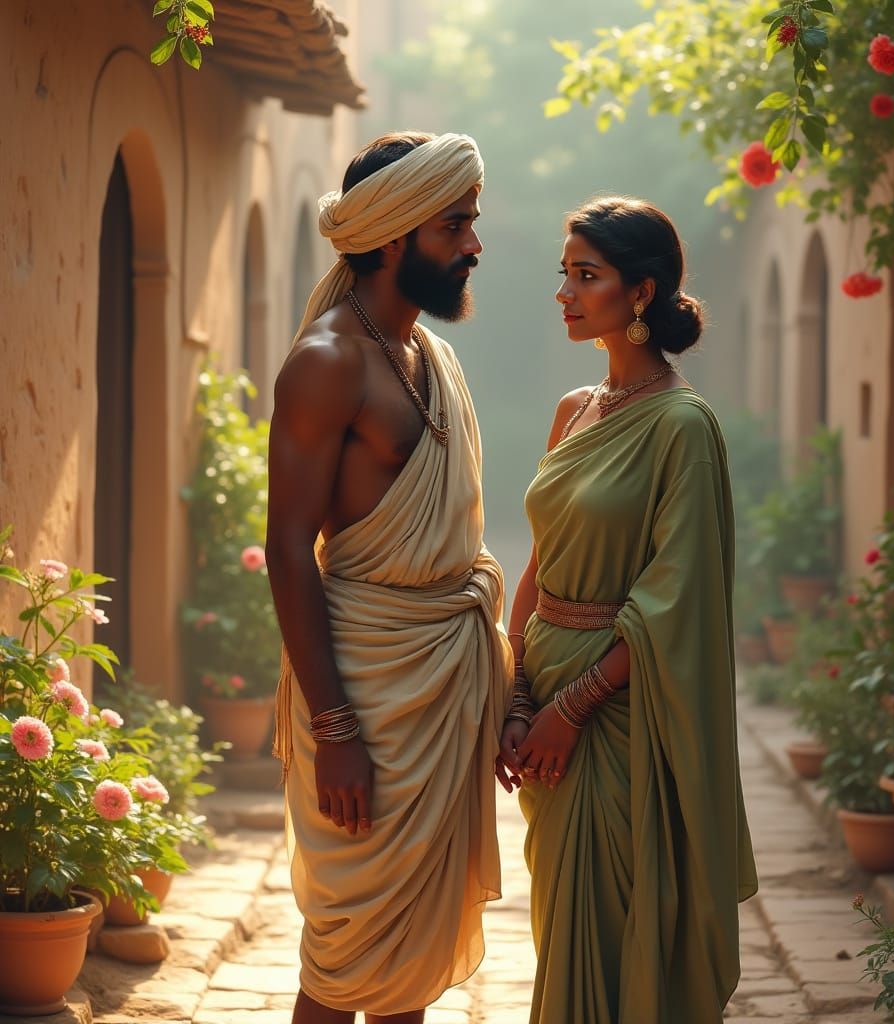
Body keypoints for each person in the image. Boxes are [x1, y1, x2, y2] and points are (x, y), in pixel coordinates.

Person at [265, 131, 513, 1024]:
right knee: (344, 957)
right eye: (457, 225)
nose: (474, 244)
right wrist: (333, 728)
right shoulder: (327, 361)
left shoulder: (425, 356)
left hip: (438, 691)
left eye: (471, 222)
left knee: (408, 962)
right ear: (398, 234)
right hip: (362, 696)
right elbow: (290, 549)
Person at [495, 196, 758, 1024]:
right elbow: (538, 559)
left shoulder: (682, 426)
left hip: (618, 713)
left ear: (639, 292)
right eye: (564, 275)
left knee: (617, 929)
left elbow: (674, 600)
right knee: (562, 928)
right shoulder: (574, 411)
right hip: (545, 702)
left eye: (587, 276)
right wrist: (515, 696)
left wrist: (570, 709)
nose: (566, 293)